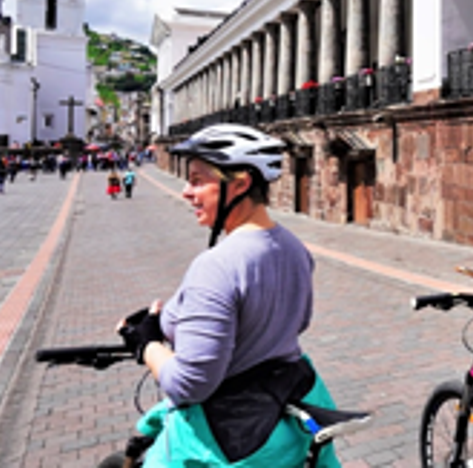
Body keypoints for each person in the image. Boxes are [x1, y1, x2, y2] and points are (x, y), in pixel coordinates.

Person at [115, 124, 338, 467]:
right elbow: (297, 322)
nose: (187, 192)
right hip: (279, 427)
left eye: (197, 180)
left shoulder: (217, 266)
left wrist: (147, 344)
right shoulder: (294, 248)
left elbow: (190, 384)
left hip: (224, 441)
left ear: (240, 184)